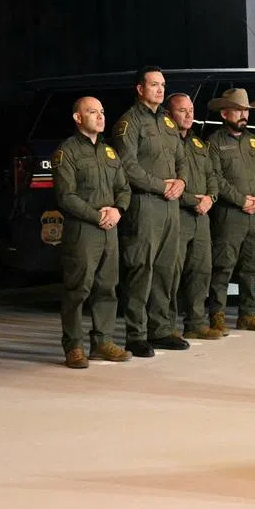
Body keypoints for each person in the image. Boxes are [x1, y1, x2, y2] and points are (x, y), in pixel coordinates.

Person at [112, 67, 188, 355]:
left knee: (167, 270)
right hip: (144, 203)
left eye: (163, 85)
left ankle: (161, 329)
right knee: (141, 269)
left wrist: (181, 181)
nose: (160, 90)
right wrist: (160, 185)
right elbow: (127, 166)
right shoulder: (129, 123)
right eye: (154, 85)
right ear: (140, 89)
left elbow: (181, 158)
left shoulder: (168, 124)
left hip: (170, 205)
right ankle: (136, 334)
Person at [52, 97, 132, 368]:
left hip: (109, 229)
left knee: (107, 287)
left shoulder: (109, 152)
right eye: (92, 112)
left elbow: (124, 188)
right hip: (83, 229)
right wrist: (97, 215)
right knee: (78, 289)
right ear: (77, 117)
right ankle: (74, 346)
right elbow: (66, 196)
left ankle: (102, 342)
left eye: (102, 111)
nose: (100, 117)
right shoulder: (67, 152)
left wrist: (118, 210)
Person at [206, 88, 255, 333]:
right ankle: (217, 315)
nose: (243, 115)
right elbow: (215, 178)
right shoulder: (215, 143)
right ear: (225, 113)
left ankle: (248, 314)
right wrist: (241, 200)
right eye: (238, 110)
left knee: (252, 266)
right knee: (223, 267)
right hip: (229, 215)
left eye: (246, 110)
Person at [164, 93, 222, 341]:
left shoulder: (199, 144)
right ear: (169, 114)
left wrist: (211, 198)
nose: (189, 115)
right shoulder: (166, 144)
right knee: (171, 273)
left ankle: (196, 323)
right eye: (182, 110)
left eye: (191, 110)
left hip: (202, 216)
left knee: (201, 270)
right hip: (177, 214)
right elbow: (168, 181)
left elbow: (212, 176)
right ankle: (166, 325)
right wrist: (193, 200)